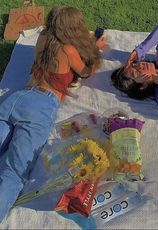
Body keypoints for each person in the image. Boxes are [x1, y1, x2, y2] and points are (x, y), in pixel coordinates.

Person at [0, 6, 106, 222]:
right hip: (40, 107)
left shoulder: (43, 35)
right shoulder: (69, 50)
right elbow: (86, 71)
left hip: (17, 98)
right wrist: (96, 48)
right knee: (13, 172)